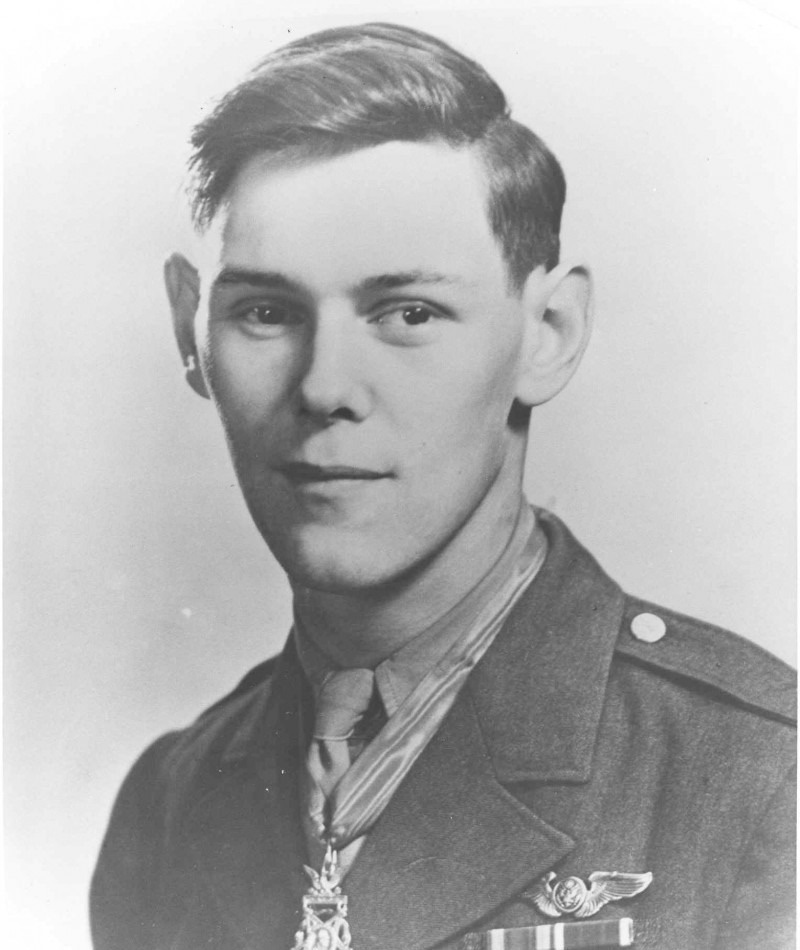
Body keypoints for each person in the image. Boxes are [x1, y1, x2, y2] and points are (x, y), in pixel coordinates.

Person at [90, 22, 795, 950]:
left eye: (409, 312)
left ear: (548, 332)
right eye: (266, 312)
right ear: (192, 332)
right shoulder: (170, 806)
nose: (324, 388)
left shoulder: (758, 776)